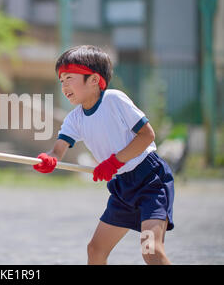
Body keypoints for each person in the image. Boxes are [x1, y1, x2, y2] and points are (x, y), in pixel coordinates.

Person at [33, 45, 174, 265]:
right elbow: (58, 149)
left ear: (94, 80)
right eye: (61, 80)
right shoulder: (75, 118)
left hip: (150, 181)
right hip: (123, 188)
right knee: (95, 250)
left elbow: (147, 136)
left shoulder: (114, 100)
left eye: (70, 77)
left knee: (150, 249)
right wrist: (51, 159)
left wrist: (115, 161)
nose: (64, 85)